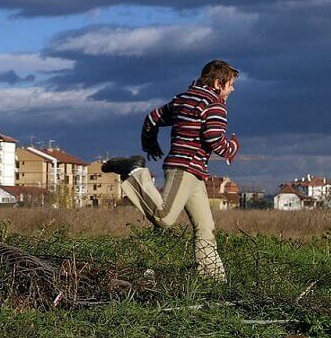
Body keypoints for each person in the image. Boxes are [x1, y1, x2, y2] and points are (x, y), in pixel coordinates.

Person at [102, 59, 240, 282]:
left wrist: (150, 144)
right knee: (164, 217)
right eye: (230, 84)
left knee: (206, 226)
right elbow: (214, 138)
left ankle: (213, 280)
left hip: (194, 172)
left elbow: (152, 118)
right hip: (183, 168)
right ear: (217, 83)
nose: (232, 89)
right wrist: (232, 148)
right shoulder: (214, 105)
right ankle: (135, 172)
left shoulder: (184, 99)